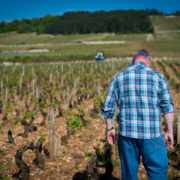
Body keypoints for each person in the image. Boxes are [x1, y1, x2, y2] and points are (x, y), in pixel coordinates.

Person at [101, 49, 175, 180]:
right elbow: (168, 107)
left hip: (126, 136)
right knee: (157, 172)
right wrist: (169, 131)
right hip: (152, 135)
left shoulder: (119, 77)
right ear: (148, 61)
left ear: (133, 61)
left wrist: (110, 129)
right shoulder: (158, 76)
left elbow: (108, 107)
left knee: (129, 174)